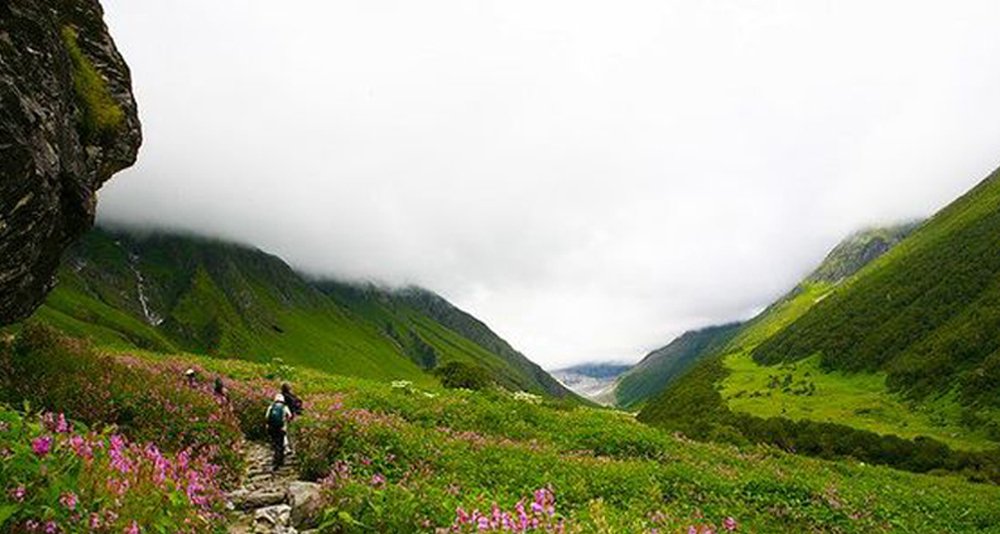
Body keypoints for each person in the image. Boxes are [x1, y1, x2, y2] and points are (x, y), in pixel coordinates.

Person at [266, 393, 292, 470]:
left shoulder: (271, 407)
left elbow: (267, 417)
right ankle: (280, 460)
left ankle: (276, 460)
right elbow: (289, 416)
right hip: (281, 428)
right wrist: (286, 421)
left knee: (275, 443)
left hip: (272, 428)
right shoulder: (284, 407)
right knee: (280, 444)